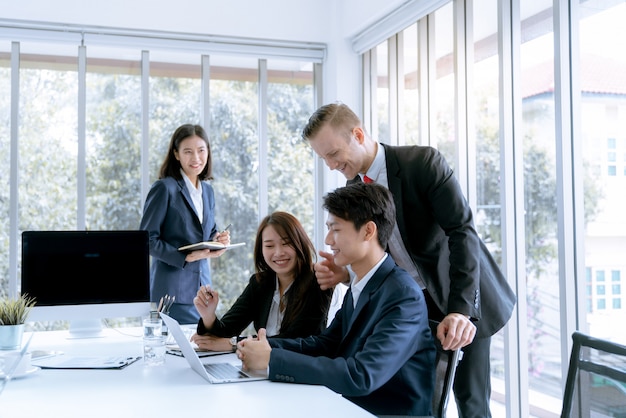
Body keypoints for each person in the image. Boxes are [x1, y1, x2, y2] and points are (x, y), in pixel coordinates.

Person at [301, 102, 516, 418]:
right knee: (422, 399)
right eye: (324, 159)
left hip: (460, 293)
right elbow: (375, 254)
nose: (331, 165)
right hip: (412, 304)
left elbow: (462, 232)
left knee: (470, 402)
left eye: (333, 154)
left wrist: (460, 310)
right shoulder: (354, 189)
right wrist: (345, 273)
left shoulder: (422, 163)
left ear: (358, 134)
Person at [237, 183, 435, 417]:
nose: (329, 240)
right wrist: (266, 346)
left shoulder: (403, 296)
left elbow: (361, 375)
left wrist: (273, 359)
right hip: (347, 406)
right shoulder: (363, 284)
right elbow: (326, 344)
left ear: (368, 231)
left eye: (336, 229)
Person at [192, 211, 333, 352]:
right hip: (261, 367)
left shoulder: (319, 281)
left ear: (299, 244)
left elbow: (296, 340)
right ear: (261, 250)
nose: (278, 253)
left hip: (298, 368)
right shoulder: (260, 283)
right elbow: (226, 332)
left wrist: (234, 344)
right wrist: (208, 315)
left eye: (286, 243)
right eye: (269, 246)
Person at [140, 124, 230, 324]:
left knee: (201, 350)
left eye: (201, 150)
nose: (196, 158)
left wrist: (218, 240)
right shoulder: (165, 188)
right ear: (176, 154)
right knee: (172, 352)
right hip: (171, 294)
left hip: (202, 293)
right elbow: (147, 240)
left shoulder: (207, 191)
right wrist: (185, 257)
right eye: (188, 152)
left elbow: (207, 233)